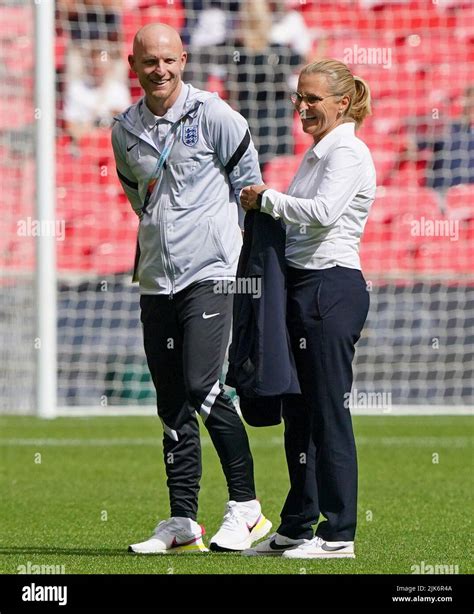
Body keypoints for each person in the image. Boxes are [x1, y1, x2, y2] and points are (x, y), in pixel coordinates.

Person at [111, 23, 271, 554]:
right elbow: (140, 199)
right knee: (171, 400)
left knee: (204, 387)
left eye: (168, 60)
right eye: (148, 62)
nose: (159, 70)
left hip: (210, 272)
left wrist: (232, 254)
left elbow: (250, 185)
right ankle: (182, 523)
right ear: (133, 65)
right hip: (156, 279)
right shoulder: (124, 130)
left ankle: (246, 508)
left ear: (183, 59)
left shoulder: (215, 115)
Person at [240, 59, 376, 558]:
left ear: (342, 102)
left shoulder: (350, 152)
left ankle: (339, 534)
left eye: (313, 98)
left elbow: (321, 215)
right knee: (299, 414)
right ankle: (298, 524)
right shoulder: (319, 153)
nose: (303, 107)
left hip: (330, 288)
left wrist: (267, 200)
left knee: (328, 413)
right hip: (303, 287)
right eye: (300, 97)